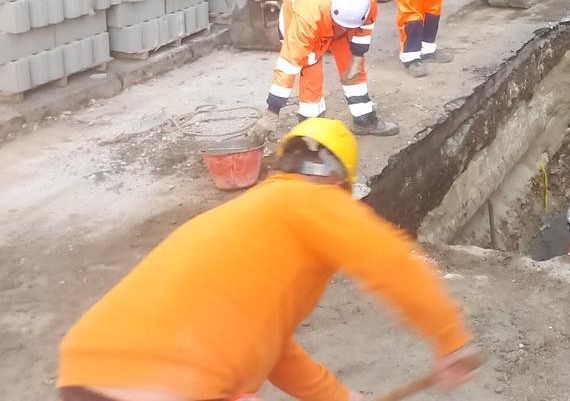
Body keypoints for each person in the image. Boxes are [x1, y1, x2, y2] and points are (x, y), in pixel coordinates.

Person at [57, 118, 483, 401]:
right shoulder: (315, 201)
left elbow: (275, 353)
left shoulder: (251, 215)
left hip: (84, 369)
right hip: (175, 381)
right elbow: (392, 261)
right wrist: (451, 339)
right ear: (341, 182)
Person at [252, 0, 398, 138]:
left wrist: (357, 58)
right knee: (311, 72)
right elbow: (288, 65)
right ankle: (311, 127)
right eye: (339, 26)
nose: (341, 30)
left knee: (353, 70)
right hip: (301, 16)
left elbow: (364, 29)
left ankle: (364, 120)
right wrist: (272, 111)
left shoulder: (366, 0)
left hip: (333, 19)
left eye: (345, 27)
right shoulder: (306, 19)